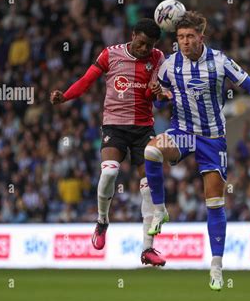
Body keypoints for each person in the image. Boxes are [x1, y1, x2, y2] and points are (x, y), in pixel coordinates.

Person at [144, 11, 250, 289]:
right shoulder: (169, 65)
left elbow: (249, 84)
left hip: (212, 138)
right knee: (151, 152)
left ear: (201, 37)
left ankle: (216, 266)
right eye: (180, 38)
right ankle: (160, 210)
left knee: (214, 202)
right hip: (183, 133)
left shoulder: (220, 61)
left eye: (189, 37)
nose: (184, 42)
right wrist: (158, 96)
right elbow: (160, 100)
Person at [50, 18, 168, 266]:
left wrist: (158, 93)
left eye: (150, 45)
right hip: (114, 126)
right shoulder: (110, 54)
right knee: (109, 173)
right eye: (142, 43)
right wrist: (65, 96)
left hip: (143, 129)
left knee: (148, 187)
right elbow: (85, 81)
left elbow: (156, 99)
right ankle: (102, 221)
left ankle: (148, 249)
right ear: (133, 35)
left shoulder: (158, 58)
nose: (145, 49)